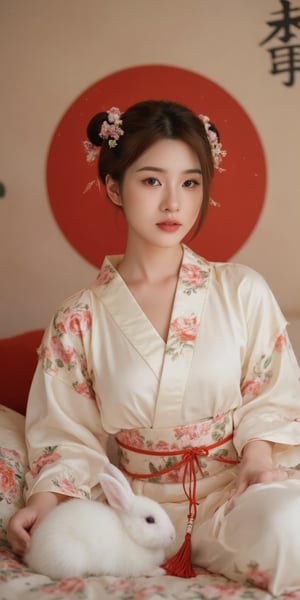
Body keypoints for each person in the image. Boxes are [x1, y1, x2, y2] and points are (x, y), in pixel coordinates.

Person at [7, 99, 300, 595]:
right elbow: (66, 434)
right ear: (113, 187)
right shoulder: (80, 317)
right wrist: (45, 504)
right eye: (151, 180)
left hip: (236, 493)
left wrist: (255, 460)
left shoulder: (241, 289)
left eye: (190, 182)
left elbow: (271, 395)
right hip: (134, 511)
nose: (174, 203)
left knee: (289, 526)